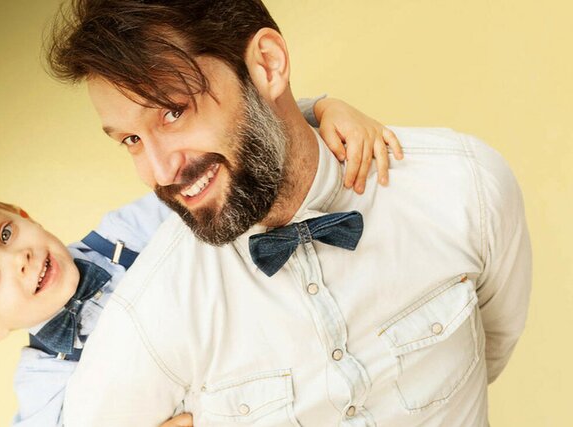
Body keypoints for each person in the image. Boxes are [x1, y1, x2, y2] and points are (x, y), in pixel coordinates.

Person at [46, 1, 533, 426]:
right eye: (131, 140)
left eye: (173, 111)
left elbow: (494, 346)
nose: (159, 170)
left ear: (267, 64)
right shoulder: (149, 316)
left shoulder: (464, 185)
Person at [0, 96, 395, 426]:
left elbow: (214, 172)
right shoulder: (44, 378)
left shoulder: (123, 234)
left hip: (276, 363)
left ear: (23, 214)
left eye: (4, 233)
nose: (18, 258)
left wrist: (320, 111)